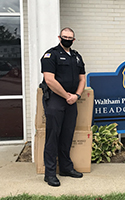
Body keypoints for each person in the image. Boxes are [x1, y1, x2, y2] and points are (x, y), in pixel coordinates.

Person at [40, 27, 86, 187]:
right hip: (55, 100)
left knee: (67, 136)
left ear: (73, 40)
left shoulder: (77, 56)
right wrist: (67, 96)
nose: (67, 39)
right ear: (60, 37)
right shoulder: (50, 55)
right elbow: (49, 80)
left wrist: (77, 96)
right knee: (53, 137)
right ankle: (50, 174)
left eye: (70, 37)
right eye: (64, 36)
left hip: (72, 101)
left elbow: (82, 79)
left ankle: (66, 168)